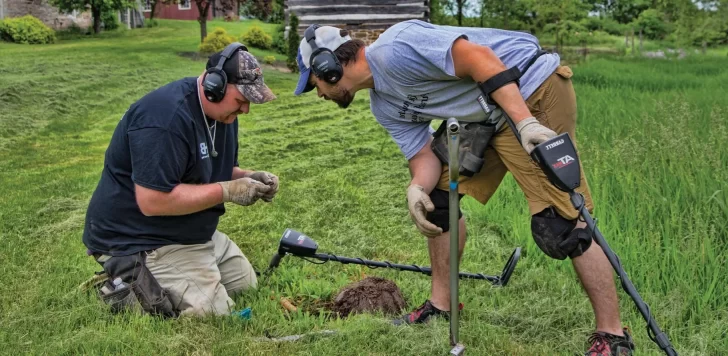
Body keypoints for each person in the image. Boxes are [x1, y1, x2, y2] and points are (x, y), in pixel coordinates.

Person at [293, 21, 635, 355]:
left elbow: (479, 59)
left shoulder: (396, 48)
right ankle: (441, 305)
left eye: (314, 85)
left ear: (328, 67)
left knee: (561, 221)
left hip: (530, 90)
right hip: (486, 117)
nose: (319, 95)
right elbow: (423, 156)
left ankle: (613, 335)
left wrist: (525, 123)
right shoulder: (383, 106)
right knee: (437, 201)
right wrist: (416, 189)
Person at [82, 43, 278, 317]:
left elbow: (217, 170)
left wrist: (248, 178)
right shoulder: (164, 120)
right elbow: (153, 201)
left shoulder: (223, 116)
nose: (245, 109)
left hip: (188, 230)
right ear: (215, 86)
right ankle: (126, 282)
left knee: (246, 285)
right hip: (140, 238)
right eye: (242, 99)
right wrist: (227, 191)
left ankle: (170, 278)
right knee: (214, 313)